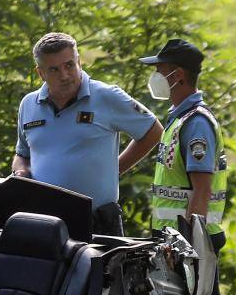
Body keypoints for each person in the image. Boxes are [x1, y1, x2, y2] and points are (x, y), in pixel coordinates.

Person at [12, 31, 163, 235]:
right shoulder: (28, 104)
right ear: (41, 73)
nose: (64, 75)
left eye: (69, 65)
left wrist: (116, 168)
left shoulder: (106, 96)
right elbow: (22, 154)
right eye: (54, 69)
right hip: (44, 223)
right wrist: (20, 172)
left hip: (97, 223)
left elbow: (153, 131)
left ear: (79, 62)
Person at [139, 37, 227, 295]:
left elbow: (202, 188)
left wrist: (187, 248)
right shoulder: (179, 118)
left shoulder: (196, 122)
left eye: (159, 70)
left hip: (189, 243)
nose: (155, 77)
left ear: (177, 76)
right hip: (174, 239)